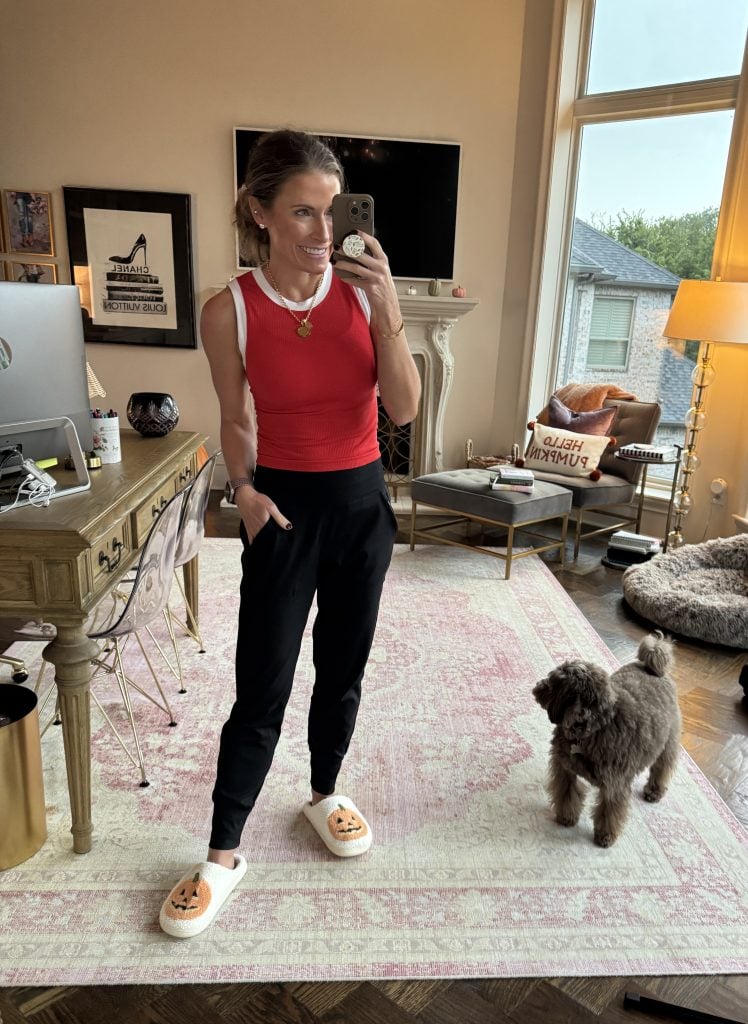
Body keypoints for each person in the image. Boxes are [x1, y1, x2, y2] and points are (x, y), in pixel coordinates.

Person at [159, 129, 421, 938]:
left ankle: (324, 791)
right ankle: (222, 852)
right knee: (262, 684)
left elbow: (405, 408)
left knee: (343, 669)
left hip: (362, 508)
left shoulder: (364, 296)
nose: (323, 231)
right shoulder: (228, 310)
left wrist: (389, 310)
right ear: (260, 213)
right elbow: (236, 417)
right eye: (303, 212)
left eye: (331, 212)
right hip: (281, 511)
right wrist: (240, 489)